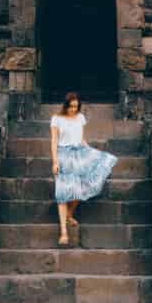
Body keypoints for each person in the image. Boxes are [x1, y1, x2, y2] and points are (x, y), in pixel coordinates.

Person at [49, 91, 117, 247]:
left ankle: (70, 214)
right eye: (71, 106)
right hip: (64, 156)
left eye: (76, 106)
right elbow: (54, 141)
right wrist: (55, 162)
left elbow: (81, 138)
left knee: (80, 188)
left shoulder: (80, 118)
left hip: (80, 154)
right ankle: (64, 233)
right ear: (65, 106)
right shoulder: (56, 119)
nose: (73, 109)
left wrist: (91, 153)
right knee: (62, 193)